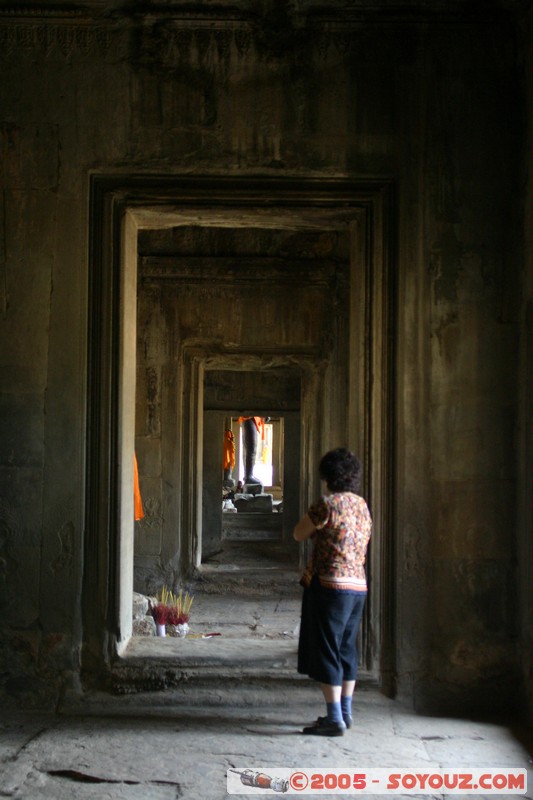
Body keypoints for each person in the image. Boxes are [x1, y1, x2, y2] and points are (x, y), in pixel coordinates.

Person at [294, 447, 372, 737]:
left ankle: (334, 717)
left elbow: (298, 533)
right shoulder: (361, 505)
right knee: (346, 648)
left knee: (327, 648)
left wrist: (317, 531)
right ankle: (346, 711)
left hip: (330, 585)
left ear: (327, 476)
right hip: (358, 586)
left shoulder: (327, 505)